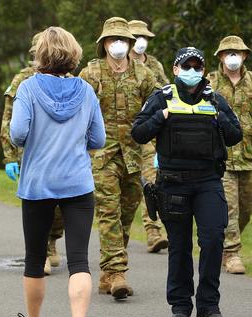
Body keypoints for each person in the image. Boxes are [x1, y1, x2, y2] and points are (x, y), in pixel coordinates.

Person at [8, 26, 105, 317]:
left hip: (38, 185)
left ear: (41, 55)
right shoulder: (87, 91)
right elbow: (99, 140)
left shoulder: (28, 89)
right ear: (73, 55)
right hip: (78, 185)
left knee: (35, 259)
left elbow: (18, 133)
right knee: (79, 260)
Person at [131, 47, 242, 317]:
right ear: (175, 69)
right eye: (186, 66)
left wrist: (219, 114)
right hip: (173, 183)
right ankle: (181, 305)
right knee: (179, 246)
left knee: (213, 239)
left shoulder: (214, 99)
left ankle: (209, 304)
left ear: (204, 71)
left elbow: (234, 136)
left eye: (197, 67)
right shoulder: (162, 98)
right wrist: (162, 117)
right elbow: (138, 132)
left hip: (208, 181)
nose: (192, 71)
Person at [79, 17, 159, 299]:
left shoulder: (144, 75)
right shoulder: (90, 74)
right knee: (108, 211)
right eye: (112, 40)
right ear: (103, 44)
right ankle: (117, 272)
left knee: (126, 214)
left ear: (129, 43)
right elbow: (76, 115)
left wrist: (160, 148)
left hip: (135, 155)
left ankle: (108, 272)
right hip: (101, 155)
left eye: (123, 40)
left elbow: (158, 111)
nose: (118, 45)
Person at [0, 32, 64, 276]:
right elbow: (8, 120)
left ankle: (54, 238)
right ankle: (44, 252)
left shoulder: (68, 77)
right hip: (33, 153)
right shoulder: (22, 80)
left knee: (61, 209)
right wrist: (10, 157)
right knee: (41, 203)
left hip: (61, 154)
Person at [207, 36, 252, 274]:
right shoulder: (210, 83)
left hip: (250, 156)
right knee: (229, 207)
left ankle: (225, 244)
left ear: (244, 56)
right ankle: (232, 253)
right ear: (221, 56)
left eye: (238, 53)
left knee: (246, 208)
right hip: (221, 158)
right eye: (228, 52)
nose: (233, 57)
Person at [128, 19, 169, 253]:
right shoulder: (118, 64)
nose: (140, 41)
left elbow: (166, 92)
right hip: (122, 135)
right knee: (130, 186)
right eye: (136, 37)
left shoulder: (154, 65)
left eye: (144, 37)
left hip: (150, 132)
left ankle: (153, 231)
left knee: (151, 181)